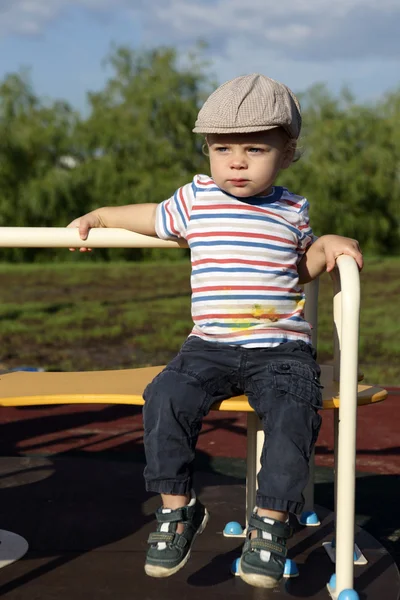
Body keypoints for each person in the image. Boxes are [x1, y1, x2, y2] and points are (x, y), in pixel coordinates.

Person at [68, 74, 363, 589]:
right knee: (165, 395)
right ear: (207, 151)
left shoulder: (292, 209)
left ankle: (270, 523)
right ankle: (178, 509)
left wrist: (330, 242)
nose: (237, 161)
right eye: (222, 148)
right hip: (209, 347)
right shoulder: (197, 199)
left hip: (281, 349)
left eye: (255, 148)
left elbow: (301, 266)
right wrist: (99, 215)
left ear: (288, 153)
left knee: (295, 411)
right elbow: (150, 216)